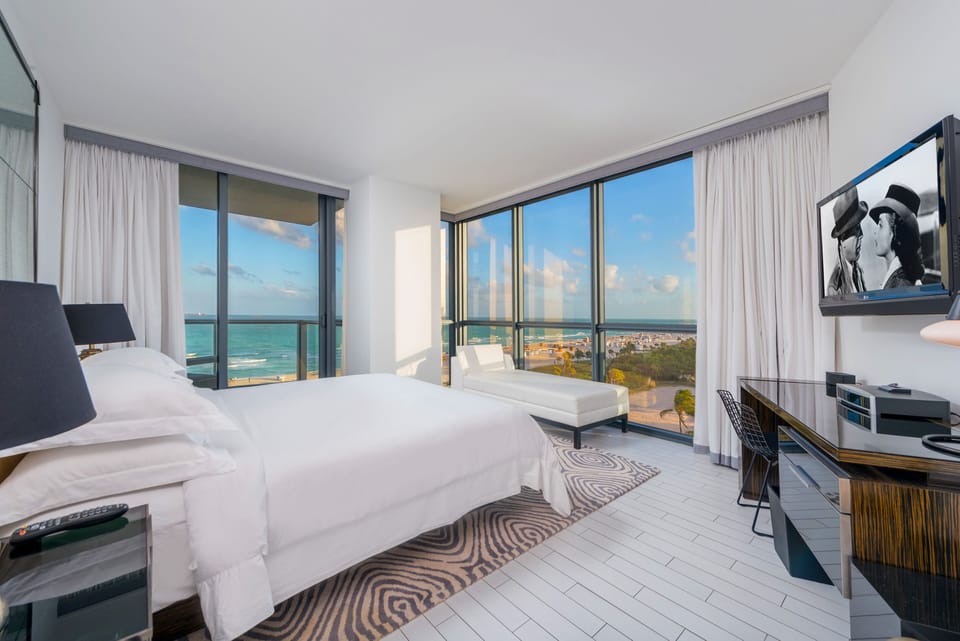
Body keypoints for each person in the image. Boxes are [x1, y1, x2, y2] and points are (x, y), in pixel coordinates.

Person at [869, 183, 924, 289]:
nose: (875, 232)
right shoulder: (899, 278)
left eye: (880, 225)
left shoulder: (901, 285)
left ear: (895, 232)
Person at [827, 186, 867, 295]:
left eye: (860, 229)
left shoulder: (858, 272)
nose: (862, 235)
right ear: (842, 240)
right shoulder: (835, 288)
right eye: (856, 231)